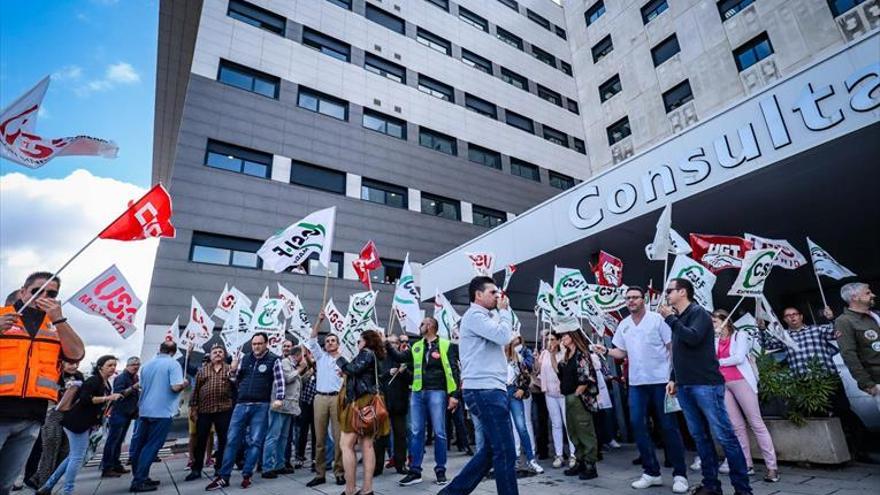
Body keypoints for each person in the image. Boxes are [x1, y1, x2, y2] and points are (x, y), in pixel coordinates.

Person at [660, 278, 752, 495]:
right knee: (700, 437)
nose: (667, 295)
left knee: (725, 436)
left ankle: (743, 489)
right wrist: (673, 377)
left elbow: (692, 338)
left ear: (682, 292)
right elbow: (679, 352)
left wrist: (670, 319)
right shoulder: (679, 319)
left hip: (706, 385)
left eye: (670, 291)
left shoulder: (698, 313)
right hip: (685, 386)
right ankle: (711, 485)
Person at [593, 286, 688, 492]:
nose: (631, 301)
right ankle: (651, 472)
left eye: (635, 297)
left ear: (643, 299)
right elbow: (621, 352)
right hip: (636, 384)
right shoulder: (624, 324)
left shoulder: (657, 319)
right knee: (637, 424)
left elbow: (672, 347)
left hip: (662, 382)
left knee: (668, 426)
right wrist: (606, 350)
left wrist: (674, 376)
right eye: (628, 298)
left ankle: (680, 474)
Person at [0, 272, 85, 494]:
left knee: (5, 484)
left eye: (51, 293)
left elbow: (76, 354)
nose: (44, 296)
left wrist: (59, 318)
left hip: (31, 418)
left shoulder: (54, 327)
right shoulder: (2, 316)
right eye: (37, 291)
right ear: (22, 292)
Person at [439, 276, 517, 495]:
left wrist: (500, 314)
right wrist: (504, 313)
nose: (498, 296)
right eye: (493, 292)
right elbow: (503, 336)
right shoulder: (474, 315)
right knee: (505, 451)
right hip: (485, 390)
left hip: (489, 389)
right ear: (478, 295)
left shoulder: (485, 317)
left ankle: (451, 493)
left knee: (493, 451)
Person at [206, 332, 285, 490]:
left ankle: (247, 475)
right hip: (241, 405)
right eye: (254, 344)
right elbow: (235, 380)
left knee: (255, 442)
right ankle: (223, 476)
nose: (256, 346)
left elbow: (279, 379)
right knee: (232, 440)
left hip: (261, 406)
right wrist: (233, 370)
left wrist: (279, 398)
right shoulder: (244, 358)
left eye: (259, 343)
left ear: (266, 344)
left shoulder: (274, 359)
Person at [387, 317, 459, 486]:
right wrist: (386, 344)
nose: (419, 327)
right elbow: (399, 357)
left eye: (421, 324)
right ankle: (415, 471)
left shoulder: (446, 345)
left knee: (440, 432)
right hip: (418, 393)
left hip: (437, 391)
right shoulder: (417, 346)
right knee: (416, 432)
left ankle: (440, 470)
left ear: (430, 326)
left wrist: (455, 395)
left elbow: (454, 370)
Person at [37, 355, 122, 495]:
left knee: (73, 456)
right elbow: (85, 399)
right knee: (77, 457)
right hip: (77, 423)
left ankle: (47, 486)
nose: (112, 368)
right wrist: (108, 398)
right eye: (109, 365)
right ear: (100, 367)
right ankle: (67, 490)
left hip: (83, 423)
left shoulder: (105, 383)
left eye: (114, 365)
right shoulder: (94, 381)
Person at [712, 309, 778, 482]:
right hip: (723, 384)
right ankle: (747, 464)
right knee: (737, 426)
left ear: (725, 321)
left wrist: (718, 362)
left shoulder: (739, 335)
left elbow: (739, 357)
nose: (713, 326)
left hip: (742, 381)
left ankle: (772, 467)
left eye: (715, 322)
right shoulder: (715, 339)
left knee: (756, 423)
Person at [129, 341, 188, 492]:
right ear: (173, 352)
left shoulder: (147, 366)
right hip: (162, 411)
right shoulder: (173, 364)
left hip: (145, 410)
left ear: (159, 349)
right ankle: (139, 480)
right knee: (152, 446)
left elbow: (141, 386)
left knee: (140, 446)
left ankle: (141, 476)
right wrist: (184, 383)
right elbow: (175, 387)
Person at [337, 329, 390, 495]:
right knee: (367, 444)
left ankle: (350, 490)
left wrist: (339, 358)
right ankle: (367, 490)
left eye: (359, 341)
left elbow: (353, 369)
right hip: (370, 402)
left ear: (366, 341)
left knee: (346, 445)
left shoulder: (366, 353)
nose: (357, 344)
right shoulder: (377, 355)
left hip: (361, 402)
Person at [551, 330, 600, 481]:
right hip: (568, 397)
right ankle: (580, 461)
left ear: (573, 338)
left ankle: (590, 465)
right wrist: (552, 354)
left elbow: (587, 377)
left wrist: (578, 393)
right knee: (573, 431)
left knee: (584, 430)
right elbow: (558, 371)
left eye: (565, 336)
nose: (562, 339)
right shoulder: (567, 356)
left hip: (578, 398)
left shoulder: (581, 354)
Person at [305, 312, 346, 488]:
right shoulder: (320, 357)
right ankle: (320, 474)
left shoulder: (344, 360)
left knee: (338, 438)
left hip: (337, 399)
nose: (329, 343)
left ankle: (339, 472)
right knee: (320, 438)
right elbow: (312, 339)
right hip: (320, 398)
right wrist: (319, 321)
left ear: (338, 344)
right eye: (327, 341)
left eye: (333, 341)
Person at [28, 359, 83, 489]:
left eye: (77, 363)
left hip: (69, 416)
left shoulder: (79, 376)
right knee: (50, 450)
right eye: (71, 363)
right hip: (53, 414)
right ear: (62, 363)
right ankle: (43, 485)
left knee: (65, 452)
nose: (74, 366)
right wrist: (64, 391)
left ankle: (38, 478)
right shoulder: (53, 375)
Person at [186, 344, 234, 481]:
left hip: (224, 410)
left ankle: (219, 468)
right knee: (200, 440)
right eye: (215, 352)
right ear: (210, 356)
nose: (218, 354)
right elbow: (195, 390)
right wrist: (194, 408)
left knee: (223, 440)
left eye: (220, 352)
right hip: (205, 411)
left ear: (224, 355)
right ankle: (196, 469)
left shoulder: (230, 369)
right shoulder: (202, 371)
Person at [262, 339, 305, 478]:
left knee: (283, 437)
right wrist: (300, 369)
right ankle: (267, 467)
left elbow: (296, 382)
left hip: (289, 407)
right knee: (273, 436)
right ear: (298, 355)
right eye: (302, 356)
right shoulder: (285, 362)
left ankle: (279, 464)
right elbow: (286, 379)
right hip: (280, 405)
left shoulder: (292, 365)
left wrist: (304, 372)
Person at [835, 283, 880, 410]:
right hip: (877, 378)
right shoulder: (844, 321)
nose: (873, 295)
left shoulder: (875, 315)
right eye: (868, 293)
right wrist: (867, 384)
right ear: (855, 297)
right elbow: (848, 354)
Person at [505, 336, 544, 474]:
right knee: (506, 428)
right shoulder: (495, 358)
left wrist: (521, 388)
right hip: (501, 393)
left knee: (521, 427)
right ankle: (512, 459)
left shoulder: (517, 358)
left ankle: (531, 459)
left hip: (513, 392)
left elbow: (526, 376)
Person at [537, 332, 576, 468]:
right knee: (556, 423)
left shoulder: (565, 353)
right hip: (550, 393)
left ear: (559, 340)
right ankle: (559, 454)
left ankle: (573, 454)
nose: (550, 342)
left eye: (552, 339)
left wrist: (553, 354)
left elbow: (560, 371)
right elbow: (539, 371)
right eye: (548, 339)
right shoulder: (545, 353)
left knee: (568, 423)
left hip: (563, 392)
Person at [375, 334, 411, 475]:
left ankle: (400, 464)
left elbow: (411, 379)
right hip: (383, 402)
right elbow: (376, 378)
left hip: (399, 403)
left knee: (400, 435)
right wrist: (387, 373)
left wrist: (404, 372)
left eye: (394, 343)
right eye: (388, 342)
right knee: (381, 436)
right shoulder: (380, 358)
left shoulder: (403, 359)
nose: (391, 345)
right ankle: (377, 466)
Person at [101, 356, 141, 478]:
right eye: (133, 364)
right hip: (119, 413)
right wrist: (133, 387)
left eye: (138, 364)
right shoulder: (121, 378)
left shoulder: (135, 378)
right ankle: (107, 467)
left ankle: (116, 464)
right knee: (113, 441)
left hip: (128, 413)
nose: (136, 366)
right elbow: (119, 394)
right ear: (127, 366)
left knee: (118, 441)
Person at [294, 347, 317, 469]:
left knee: (315, 432)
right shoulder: (302, 367)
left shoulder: (319, 365)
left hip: (316, 402)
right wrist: (308, 371)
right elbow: (299, 382)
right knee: (302, 432)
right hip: (304, 402)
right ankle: (299, 457)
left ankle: (314, 458)